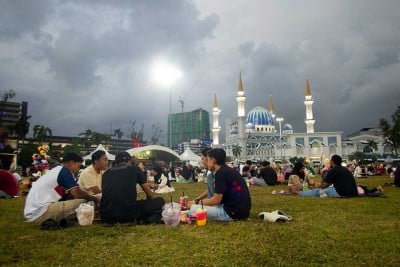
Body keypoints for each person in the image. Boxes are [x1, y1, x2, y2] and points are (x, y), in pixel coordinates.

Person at [24, 152, 100, 229]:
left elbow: (70, 194)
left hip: (34, 211)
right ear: (71, 163)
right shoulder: (64, 171)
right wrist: (94, 198)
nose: (78, 169)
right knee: (88, 203)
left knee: (83, 201)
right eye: (78, 166)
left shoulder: (57, 170)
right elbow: (76, 193)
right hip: (40, 212)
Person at [100, 152, 165, 225]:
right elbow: (149, 194)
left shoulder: (106, 173)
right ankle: (145, 218)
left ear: (116, 162)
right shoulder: (135, 169)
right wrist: (149, 203)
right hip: (128, 214)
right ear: (130, 161)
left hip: (106, 216)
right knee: (160, 201)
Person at [187, 148, 251, 221]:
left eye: (208, 160)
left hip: (231, 213)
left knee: (193, 209)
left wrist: (196, 203)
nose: (206, 162)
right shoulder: (226, 170)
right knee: (194, 208)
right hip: (241, 211)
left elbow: (216, 200)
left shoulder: (221, 173)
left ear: (213, 160)